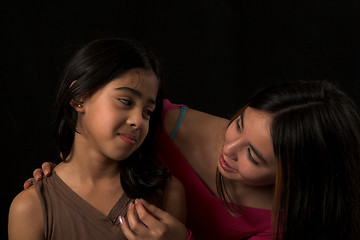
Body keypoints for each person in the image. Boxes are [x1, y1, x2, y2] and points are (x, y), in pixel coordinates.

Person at [26, 80, 360, 239]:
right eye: (239, 124)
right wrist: (68, 180)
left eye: (253, 156)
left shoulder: (284, 227)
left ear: (294, 176)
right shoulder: (166, 125)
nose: (228, 150)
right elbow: (101, 135)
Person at [8, 38, 191, 240]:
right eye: (125, 101)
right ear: (79, 97)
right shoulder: (31, 209)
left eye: (148, 111)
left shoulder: (167, 194)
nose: (138, 121)